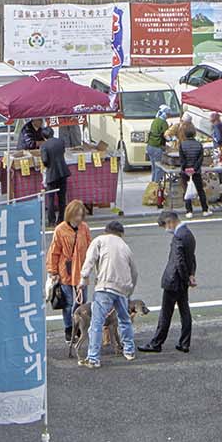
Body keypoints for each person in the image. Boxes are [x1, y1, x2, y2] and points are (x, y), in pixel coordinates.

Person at [78, 218, 138, 367]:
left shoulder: (100, 240)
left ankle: (93, 358)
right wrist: (129, 290)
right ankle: (129, 351)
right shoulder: (125, 247)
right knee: (125, 320)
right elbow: (134, 272)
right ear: (121, 234)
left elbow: (90, 259)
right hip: (122, 289)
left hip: (104, 287)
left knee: (97, 323)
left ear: (106, 230)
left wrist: (84, 278)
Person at [138, 210, 196, 354]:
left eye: (165, 226)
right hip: (183, 281)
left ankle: (156, 343)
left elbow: (179, 261)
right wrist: (190, 275)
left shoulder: (178, 237)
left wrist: (184, 277)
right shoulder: (189, 234)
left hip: (173, 280)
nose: (166, 229)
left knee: (166, 313)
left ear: (170, 222)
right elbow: (191, 257)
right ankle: (184, 343)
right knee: (184, 311)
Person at [46, 201, 92, 347]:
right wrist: (53, 271)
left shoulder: (84, 228)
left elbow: (91, 248)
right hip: (65, 270)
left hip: (82, 270)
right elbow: (54, 251)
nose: (79, 218)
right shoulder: (60, 230)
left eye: (81, 214)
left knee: (82, 302)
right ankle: (68, 328)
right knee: (68, 303)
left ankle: (79, 327)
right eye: (77, 214)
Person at [176, 116, 211, 214]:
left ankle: (189, 211)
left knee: (187, 190)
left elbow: (182, 159)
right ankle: (205, 209)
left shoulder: (182, 145)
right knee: (200, 190)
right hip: (196, 172)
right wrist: (194, 169)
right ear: (194, 133)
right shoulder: (199, 145)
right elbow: (200, 159)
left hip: (185, 172)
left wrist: (185, 169)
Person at [40, 127, 70, 227]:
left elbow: (44, 161)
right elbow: (63, 152)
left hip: (52, 174)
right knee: (62, 198)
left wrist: (48, 165)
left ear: (44, 136)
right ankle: (61, 219)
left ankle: (51, 220)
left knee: (51, 199)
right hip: (63, 172)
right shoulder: (61, 142)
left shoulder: (44, 145)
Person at [145, 105, 172, 185]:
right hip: (157, 147)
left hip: (150, 146)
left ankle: (152, 185)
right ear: (166, 114)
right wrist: (172, 139)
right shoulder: (163, 123)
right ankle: (156, 188)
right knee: (159, 169)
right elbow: (166, 136)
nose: (169, 115)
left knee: (154, 168)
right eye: (169, 114)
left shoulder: (155, 120)